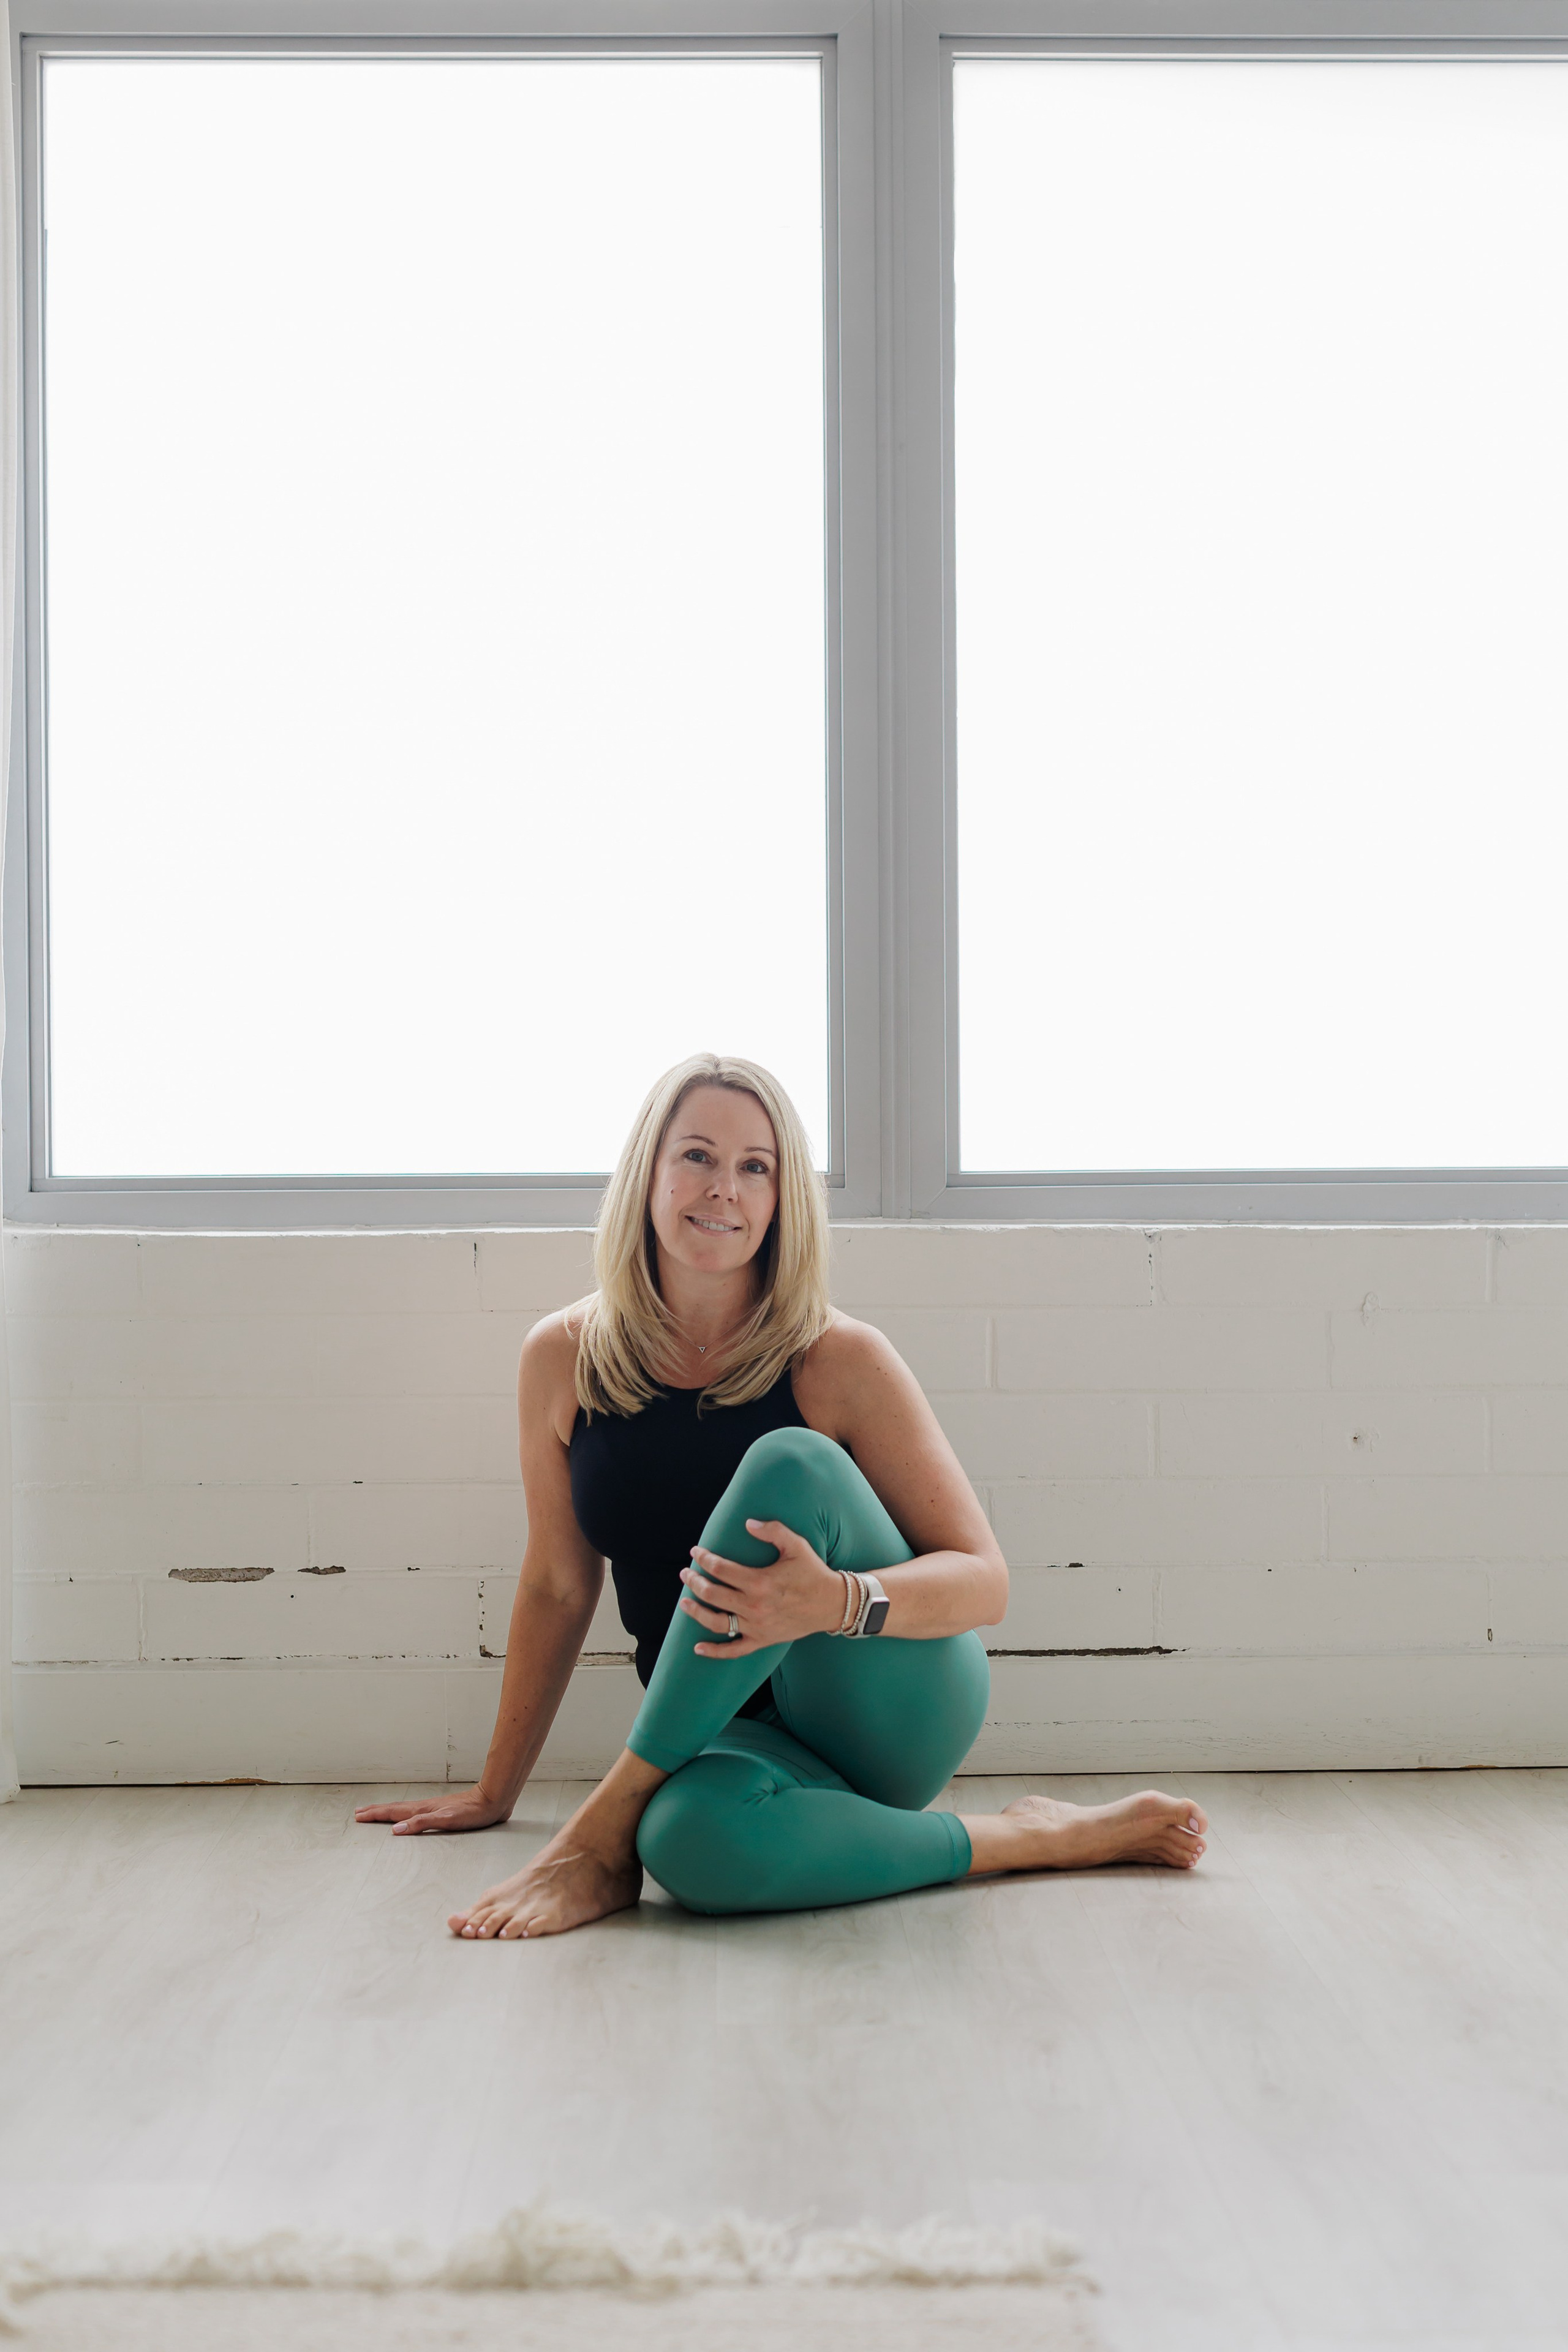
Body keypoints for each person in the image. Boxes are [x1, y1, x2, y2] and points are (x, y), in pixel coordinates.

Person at [355, 1054, 1207, 1935]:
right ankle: (1028, 1837)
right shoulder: (561, 1359)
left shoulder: (839, 1358)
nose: (723, 1188)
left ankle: (603, 1828)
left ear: (780, 1197)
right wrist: (498, 1790)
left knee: (789, 1466)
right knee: (688, 1848)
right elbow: (557, 1586)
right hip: (725, 1738)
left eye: (754, 1167)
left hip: (887, 1703)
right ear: (648, 1172)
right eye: (696, 1156)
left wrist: (840, 1602)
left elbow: (985, 1582)